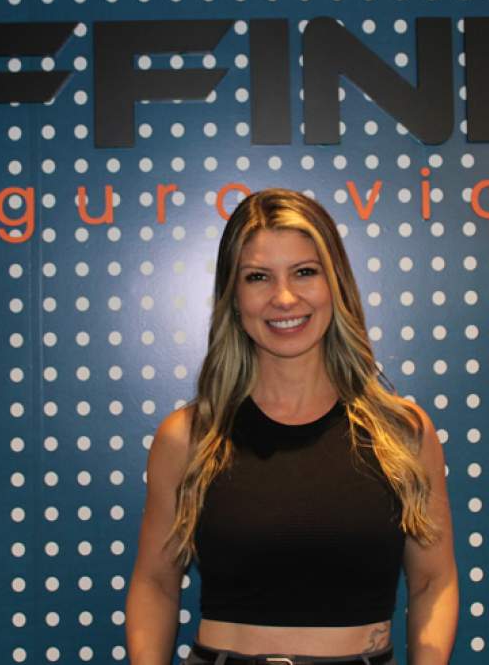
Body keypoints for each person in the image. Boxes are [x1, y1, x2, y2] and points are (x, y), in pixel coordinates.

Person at [126, 188, 458, 665]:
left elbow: (433, 581)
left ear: (336, 284)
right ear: (233, 296)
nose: (284, 298)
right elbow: (156, 582)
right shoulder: (189, 436)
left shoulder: (402, 432)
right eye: (258, 277)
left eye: (305, 272)